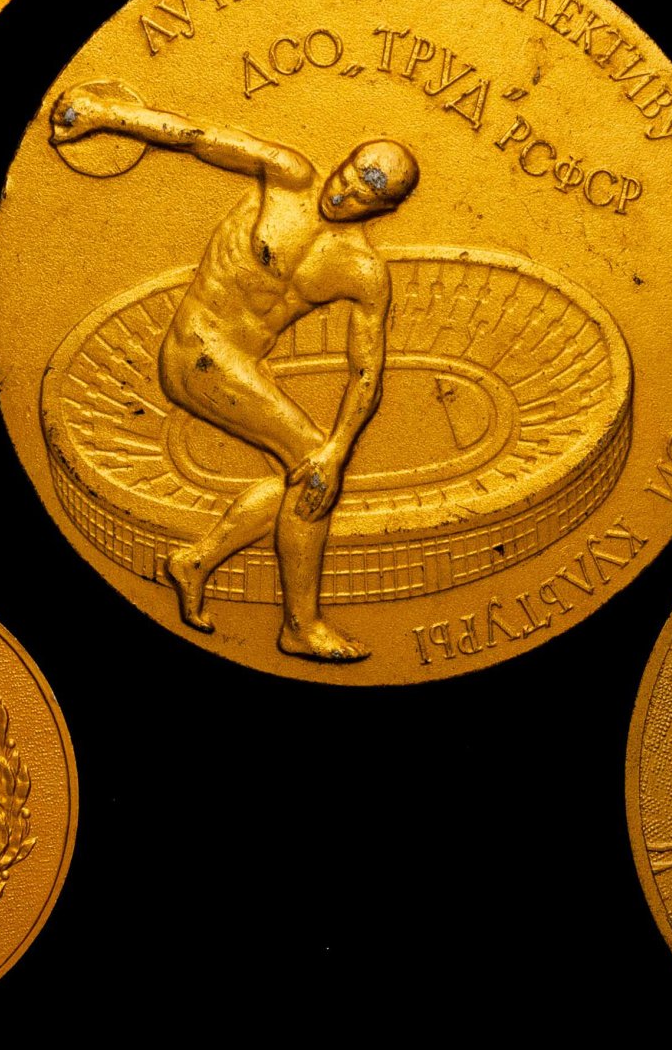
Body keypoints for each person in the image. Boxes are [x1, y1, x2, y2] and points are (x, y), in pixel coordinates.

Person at [52, 86, 419, 661]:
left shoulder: (363, 270)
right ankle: (299, 626)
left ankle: (197, 561)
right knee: (311, 471)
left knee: (313, 474)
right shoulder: (289, 177)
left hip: (237, 364)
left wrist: (339, 450)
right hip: (196, 350)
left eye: (365, 193)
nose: (343, 192)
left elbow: (366, 372)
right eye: (349, 174)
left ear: (386, 208)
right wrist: (108, 114)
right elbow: (196, 137)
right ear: (343, 161)